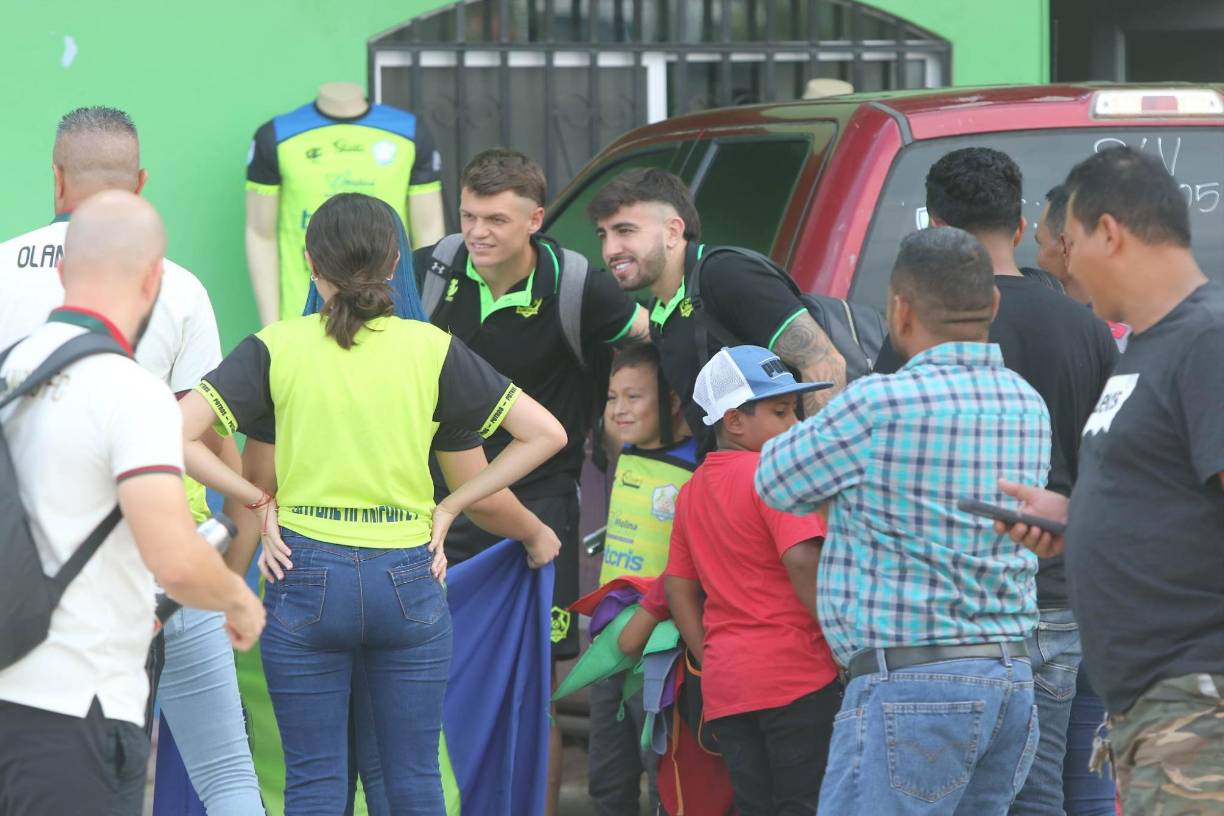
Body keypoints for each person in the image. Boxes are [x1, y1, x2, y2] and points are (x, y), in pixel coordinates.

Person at [178, 192, 567, 814]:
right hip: (409, 578)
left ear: (310, 263)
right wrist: (449, 508)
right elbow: (547, 433)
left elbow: (174, 431)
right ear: (394, 264)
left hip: (301, 572)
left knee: (313, 786)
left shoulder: (275, 345)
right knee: (411, 784)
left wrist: (256, 500)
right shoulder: (431, 347)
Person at [0, 105, 265, 814]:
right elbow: (208, 435)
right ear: (140, 184)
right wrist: (235, 575)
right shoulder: (177, 294)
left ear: (57, 181)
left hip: (17, 609)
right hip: (154, 578)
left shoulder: (3, 282)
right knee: (227, 774)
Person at [758, 227, 1052, 815]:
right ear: (992, 304)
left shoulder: (878, 403)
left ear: (900, 309)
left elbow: (775, 480)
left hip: (911, 685)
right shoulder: (1026, 401)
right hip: (1012, 676)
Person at [874, 147, 1118, 816]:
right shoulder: (1088, 329)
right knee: (1067, 790)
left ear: (936, 229)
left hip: (957, 607)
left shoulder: (918, 330)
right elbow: (1113, 462)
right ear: (1018, 226)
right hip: (1067, 597)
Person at [412, 148, 648, 814]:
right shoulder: (431, 270)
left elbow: (647, 346)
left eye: (495, 219)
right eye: (468, 215)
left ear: (536, 220)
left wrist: (630, 423)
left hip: (536, 511)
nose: (477, 232)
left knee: (530, 687)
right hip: (432, 504)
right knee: (427, 673)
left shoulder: (579, 287)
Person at [997, 146, 1224, 816]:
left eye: (1066, 242)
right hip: (1154, 709)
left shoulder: (1205, 341)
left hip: (1198, 704)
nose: (1058, 262)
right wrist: (1078, 520)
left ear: (1110, 233)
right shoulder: (1144, 349)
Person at [665, 345, 839, 816]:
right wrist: (842, 642)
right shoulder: (776, 472)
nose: (795, 425)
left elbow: (678, 588)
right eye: (781, 411)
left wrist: (712, 655)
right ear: (735, 421)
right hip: (798, 677)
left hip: (728, 686)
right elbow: (803, 560)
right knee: (806, 804)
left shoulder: (691, 491)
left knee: (753, 805)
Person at [588, 167, 846, 448]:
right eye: (603, 235)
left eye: (625, 231)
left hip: (781, 480)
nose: (610, 250)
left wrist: (817, 469)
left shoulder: (725, 275)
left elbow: (823, 361)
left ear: (673, 231)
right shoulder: (660, 312)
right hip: (730, 483)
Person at [590, 342, 696, 815]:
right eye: (613, 398)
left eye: (634, 397)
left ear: (672, 402)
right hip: (609, 644)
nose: (620, 410)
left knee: (662, 779)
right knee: (606, 780)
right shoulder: (623, 448)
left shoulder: (696, 466)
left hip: (661, 648)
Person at [1036, 184, 1131, 353]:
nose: (1038, 260)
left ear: (1066, 247)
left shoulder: (1053, 334)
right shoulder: (1141, 327)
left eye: (1040, 245)